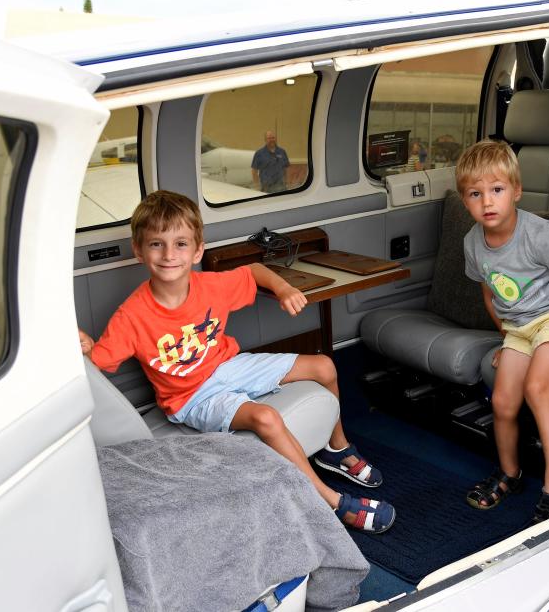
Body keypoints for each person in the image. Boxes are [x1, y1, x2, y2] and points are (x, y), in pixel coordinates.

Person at [79, 190, 396, 534]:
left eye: (181, 244)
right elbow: (97, 364)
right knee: (266, 417)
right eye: (157, 244)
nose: (170, 255)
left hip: (227, 366)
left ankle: (336, 448)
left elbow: (255, 270)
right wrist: (83, 347)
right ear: (139, 250)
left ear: (198, 251)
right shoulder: (131, 315)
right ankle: (331, 502)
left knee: (324, 367)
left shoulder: (210, 286)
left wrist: (283, 288)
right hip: (191, 396)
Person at [458, 140, 549, 523]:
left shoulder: (539, 234)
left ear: (516, 192)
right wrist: (507, 336)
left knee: (537, 387)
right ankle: (510, 473)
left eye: (497, 190)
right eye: (475, 193)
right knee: (502, 402)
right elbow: (490, 292)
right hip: (519, 328)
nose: (487, 202)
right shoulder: (473, 242)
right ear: (464, 199)